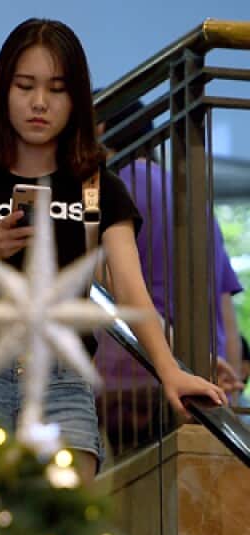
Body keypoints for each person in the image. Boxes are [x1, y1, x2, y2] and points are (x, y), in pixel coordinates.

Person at [0, 18, 226, 495]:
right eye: (25, 86)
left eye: (56, 89)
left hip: (64, 378)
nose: (39, 102)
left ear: (77, 100)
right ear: (3, 91)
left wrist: (170, 370)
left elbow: (130, 288)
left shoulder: (100, 190)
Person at [93, 98, 245, 452]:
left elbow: (107, 281)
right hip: (204, 378)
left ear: (101, 131)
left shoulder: (115, 192)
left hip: (134, 378)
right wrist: (226, 383)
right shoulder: (193, 199)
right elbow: (226, 310)